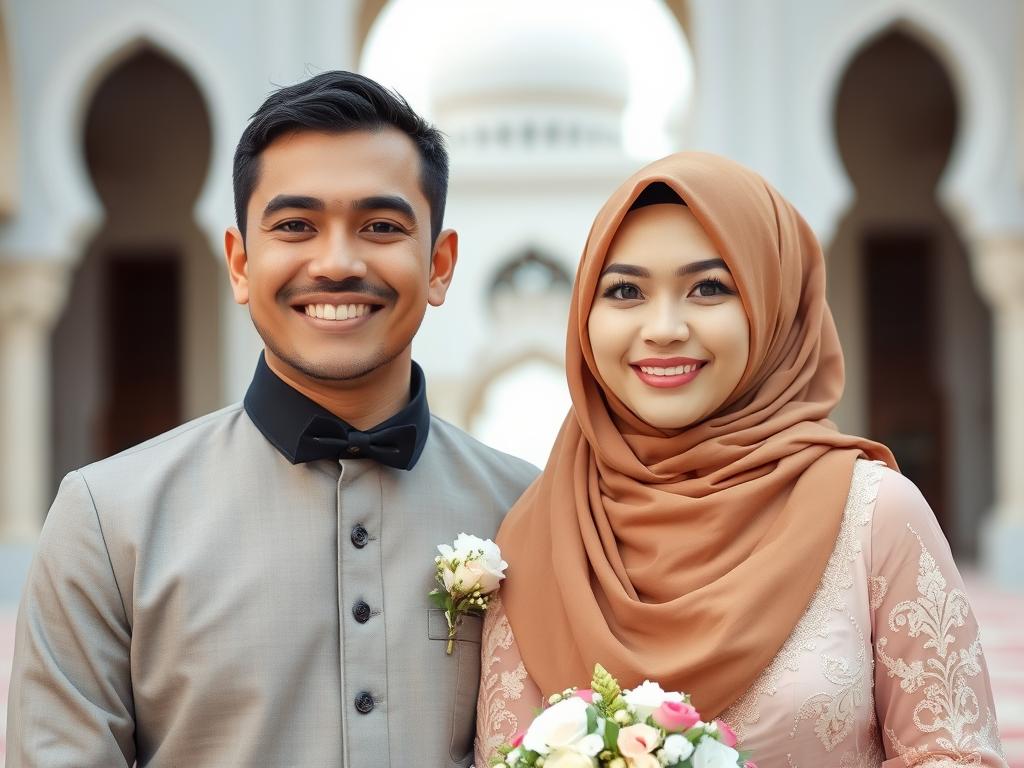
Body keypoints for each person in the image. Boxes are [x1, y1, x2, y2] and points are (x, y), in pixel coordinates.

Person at [7, 71, 538, 767]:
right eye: (295, 226)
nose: (338, 261)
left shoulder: (530, 514)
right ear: (239, 263)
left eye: (380, 226)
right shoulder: (110, 524)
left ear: (439, 265)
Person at [475, 153, 1007, 767]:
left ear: (774, 304)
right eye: (625, 291)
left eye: (709, 288)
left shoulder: (871, 516)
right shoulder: (539, 533)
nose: (664, 327)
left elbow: (953, 756)